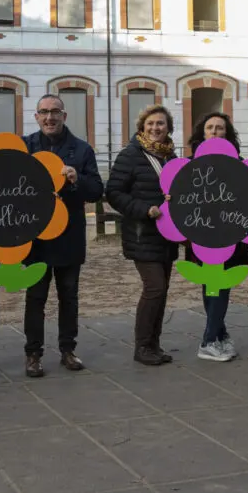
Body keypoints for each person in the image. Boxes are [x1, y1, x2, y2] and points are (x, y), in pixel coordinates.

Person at [22, 94, 104, 377]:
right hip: (36, 236)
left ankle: (68, 349)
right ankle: (33, 354)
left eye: (55, 112)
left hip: (69, 235)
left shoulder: (81, 150)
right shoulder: (25, 147)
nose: (50, 118)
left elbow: (96, 190)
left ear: (64, 116)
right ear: (36, 117)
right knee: (35, 297)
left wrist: (76, 178)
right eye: (44, 112)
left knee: (68, 296)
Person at [105, 105, 180, 366]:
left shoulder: (171, 157)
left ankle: (153, 344)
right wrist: (144, 209)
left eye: (160, 123)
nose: (155, 128)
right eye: (150, 124)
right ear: (142, 127)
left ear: (168, 128)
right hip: (142, 233)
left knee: (162, 290)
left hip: (167, 235)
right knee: (155, 287)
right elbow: (114, 193)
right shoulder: (130, 155)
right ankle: (142, 346)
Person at [187, 111, 248, 362]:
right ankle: (209, 340)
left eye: (220, 128)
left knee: (219, 285)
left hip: (230, 232)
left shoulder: (239, 164)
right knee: (214, 284)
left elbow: (247, 197)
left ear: (228, 133)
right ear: (202, 133)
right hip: (201, 233)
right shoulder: (190, 165)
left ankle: (218, 336)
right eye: (210, 127)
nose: (214, 131)